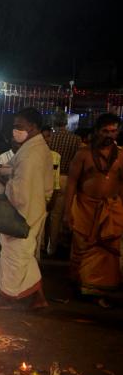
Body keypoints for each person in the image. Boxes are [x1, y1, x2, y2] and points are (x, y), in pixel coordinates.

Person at [0, 107, 53, 309]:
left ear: (33, 127)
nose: (15, 131)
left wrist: (3, 178)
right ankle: (39, 297)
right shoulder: (34, 148)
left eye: (19, 127)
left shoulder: (31, 153)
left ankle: (9, 298)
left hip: (23, 212)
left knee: (15, 256)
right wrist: (6, 173)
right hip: (34, 208)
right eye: (14, 126)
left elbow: (20, 191)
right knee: (24, 255)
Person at [65, 113, 123, 301]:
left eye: (113, 131)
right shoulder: (83, 154)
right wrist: (67, 211)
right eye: (105, 131)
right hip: (85, 207)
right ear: (97, 131)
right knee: (81, 247)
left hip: (111, 208)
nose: (109, 135)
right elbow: (72, 183)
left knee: (109, 249)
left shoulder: (121, 155)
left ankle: (104, 289)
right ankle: (79, 286)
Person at [46, 112, 82, 254]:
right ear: (66, 122)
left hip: (49, 176)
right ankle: (52, 247)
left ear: (53, 122)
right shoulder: (76, 139)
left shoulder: (49, 138)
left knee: (44, 212)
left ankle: (41, 244)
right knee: (57, 215)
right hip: (66, 178)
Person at [41, 125, 62, 252]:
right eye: (43, 137)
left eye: (48, 136)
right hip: (34, 196)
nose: (46, 139)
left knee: (49, 223)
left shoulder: (55, 156)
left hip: (48, 196)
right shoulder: (30, 155)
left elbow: (56, 181)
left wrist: (53, 198)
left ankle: (48, 248)